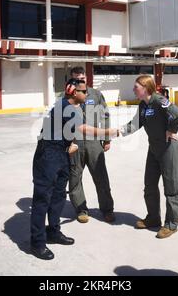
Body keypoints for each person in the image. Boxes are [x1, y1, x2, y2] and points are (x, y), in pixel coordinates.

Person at [30, 78, 119, 260]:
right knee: (42, 200)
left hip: (62, 153)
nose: (87, 94)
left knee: (58, 196)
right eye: (83, 91)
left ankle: (53, 231)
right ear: (72, 92)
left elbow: (67, 130)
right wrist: (108, 133)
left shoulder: (74, 107)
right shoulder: (65, 107)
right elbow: (81, 128)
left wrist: (69, 144)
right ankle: (37, 242)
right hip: (47, 157)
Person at [119, 75, 178, 239]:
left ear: (146, 88)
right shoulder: (143, 105)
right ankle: (153, 218)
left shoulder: (159, 101)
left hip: (169, 149)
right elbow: (135, 124)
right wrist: (117, 132)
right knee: (149, 185)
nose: (134, 89)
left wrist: (172, 130)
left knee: (171, 189)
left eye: (136, 87)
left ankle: (171, 224)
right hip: (154, 149)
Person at [68, 66, 115, 224]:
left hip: (94, 142)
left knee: (101, 177)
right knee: (75, 177)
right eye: (77, 79)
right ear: (72, 79)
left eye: (82, 78)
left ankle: (107, 209)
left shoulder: (96, 94)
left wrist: (107, 138)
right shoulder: (66, 96)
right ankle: (81, 209)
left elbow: (105, 115)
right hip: (74, 142)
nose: (80, 81)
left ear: (86, 78)